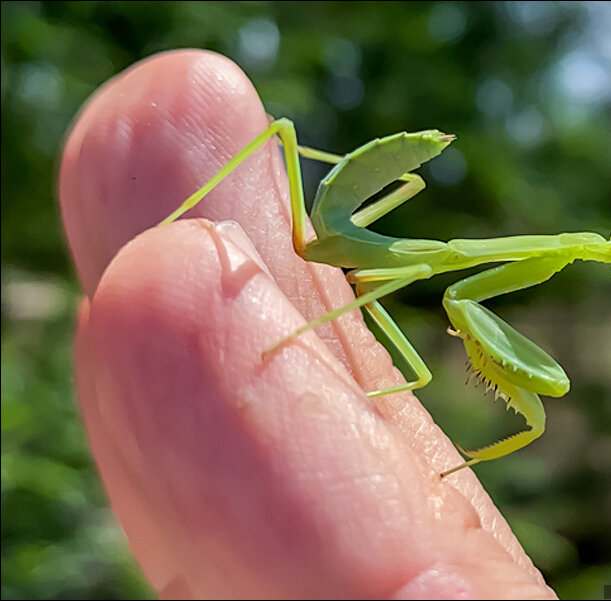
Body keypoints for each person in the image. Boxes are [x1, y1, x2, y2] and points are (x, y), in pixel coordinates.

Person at [59, 49, 555, 599]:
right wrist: (300, 332)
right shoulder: (445, 269)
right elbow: (459, 295)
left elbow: (456, 295)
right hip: (329, 232)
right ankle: (176, 221)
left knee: (417, 361)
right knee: (294, 147)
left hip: (343, 238)